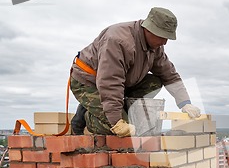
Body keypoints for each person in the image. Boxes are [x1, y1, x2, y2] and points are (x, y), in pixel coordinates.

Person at [69, 7, 201, 137]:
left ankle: (98, 107)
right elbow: (110, 82)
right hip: (88, 82)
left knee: (154, 82)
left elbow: (170, 75)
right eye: (162, 36)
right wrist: (117, 121)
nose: (165, 42)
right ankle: (86, 118)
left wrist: (185, 103)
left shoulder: (156, 47)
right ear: (149, 29)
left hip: (118, 83)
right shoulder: (118, 41)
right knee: (118, 130)